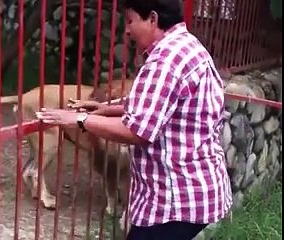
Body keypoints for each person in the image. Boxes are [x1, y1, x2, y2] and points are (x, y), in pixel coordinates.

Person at [35, 0, 233, 239]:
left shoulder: (166, 60)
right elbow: (159, 104)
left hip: (176, 198)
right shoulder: (186, 46)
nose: (126, 30)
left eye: (130, 20)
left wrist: (80, 119)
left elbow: (138, 131)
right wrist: (106, 109)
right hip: (193, 190)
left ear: (152, 19)